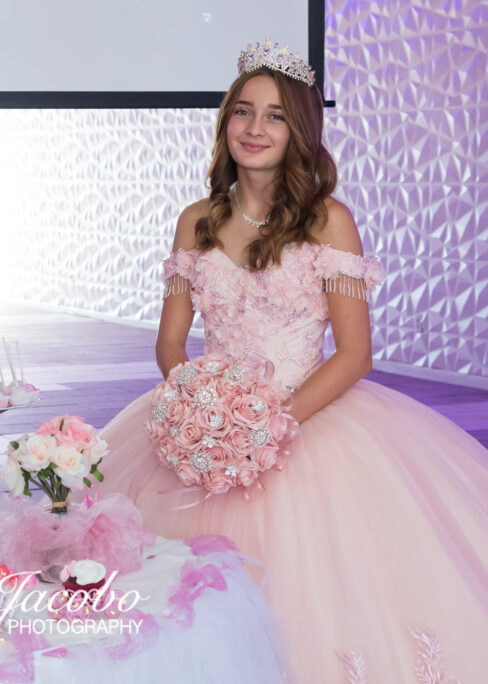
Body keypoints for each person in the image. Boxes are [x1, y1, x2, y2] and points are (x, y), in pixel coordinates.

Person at [97, 39, 488, 682]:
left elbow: (356, 353)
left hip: (308, 416)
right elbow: (170, 342)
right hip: (209, 415)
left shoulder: (330, 221)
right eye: (243, 111)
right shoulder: (195, 221)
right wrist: (203, 405)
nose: (255, 128)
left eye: (276, 115)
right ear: (225, 122)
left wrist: (269, 423)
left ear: (300, 131)